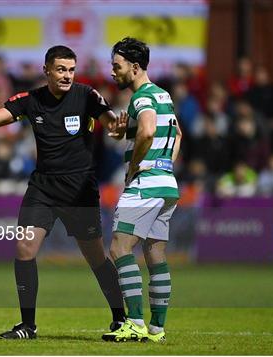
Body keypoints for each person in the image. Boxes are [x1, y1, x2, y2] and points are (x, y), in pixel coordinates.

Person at [0, 45, 127, 339]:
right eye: (61, 69)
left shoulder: (86, 96)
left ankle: (120, 318)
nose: (67, 76)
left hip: (79, 190)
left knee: (96, 257)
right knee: (24, 248)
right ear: (45, 70)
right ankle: (28, 326)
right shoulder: (30, 100)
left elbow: (110, 121)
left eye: (71, 70)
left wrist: (116, 128)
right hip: (43, 187)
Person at [102, 37, 182, 343]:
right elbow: (177, 136)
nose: (113, 72)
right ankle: (157, 329)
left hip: (145, 185)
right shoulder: (164, 95)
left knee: (119, 248)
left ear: (135, 68)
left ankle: (134, 322)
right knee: (155, 252)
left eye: (117, 66)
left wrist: (136, 165)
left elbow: (148, 129)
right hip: (166, 184)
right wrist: (161, 163)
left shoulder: (142, 97)